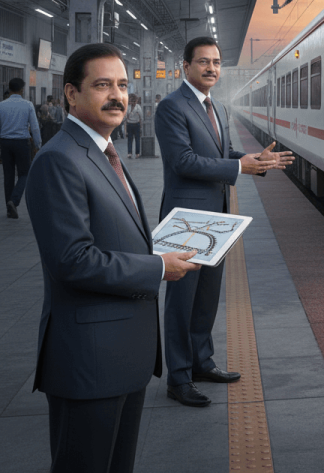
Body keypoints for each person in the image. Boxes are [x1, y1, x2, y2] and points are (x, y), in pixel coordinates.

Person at [24, 43, 199, 473]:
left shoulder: (104, 153)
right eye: (102, 85)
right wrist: (158, 267)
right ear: (71, 93)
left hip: (124, 356)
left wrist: (159, 247)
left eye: (122, 84)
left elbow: (113, 237)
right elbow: (72, 260)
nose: (117, 95)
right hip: (89, 361)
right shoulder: (59, 160)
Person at [155, 36, 294, 408]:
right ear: (185, 66)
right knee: (181, 300)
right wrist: (237, 166)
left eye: (216, 62)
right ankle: (179, 377)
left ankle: (202, 362)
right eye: (203, 62)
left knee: (206, 297)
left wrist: (253, 160)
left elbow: (220, 153)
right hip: (186, 219)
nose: (211, 68)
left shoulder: (216, 107)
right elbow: (183, 161)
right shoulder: (171, 107)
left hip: (216, 217)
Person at [0, 77, 42, 218]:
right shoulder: (28, 105)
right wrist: (38, 145)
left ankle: (9, 208)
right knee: (25, 173)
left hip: (5, 143)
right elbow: (35, 128)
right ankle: (14, 200)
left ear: (10, 89)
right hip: (22, 143)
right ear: (22, 89)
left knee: (8, 175)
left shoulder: (1, 105)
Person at [126, 94, 142, 159]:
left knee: (137, 139)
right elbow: (125, 116)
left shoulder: (138, 107)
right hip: (129, 124)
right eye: (130, 101)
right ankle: (129, 153)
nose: (131, 102)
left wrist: (141, 126)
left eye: (133, 101)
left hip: (136, 124)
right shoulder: (128, 107)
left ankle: (137, 153)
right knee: (130, 139)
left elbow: (141, 116)